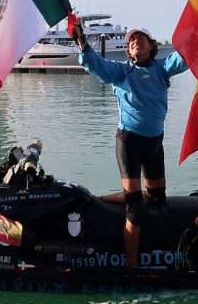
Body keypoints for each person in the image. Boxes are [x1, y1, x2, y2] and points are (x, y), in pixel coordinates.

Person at [71, 22, 188, 268]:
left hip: (155, 143)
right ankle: (131, 267)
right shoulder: (122, 72)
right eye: (131, 40)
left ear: (151, 45)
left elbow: (185, 57)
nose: (135, 41)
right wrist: (82, 42)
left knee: (156, 201)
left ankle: (101, 198)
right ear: (129, 50)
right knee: (135, 209)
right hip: (129, 143)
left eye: (140, 38)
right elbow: (95, 65)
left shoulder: (162, 69)